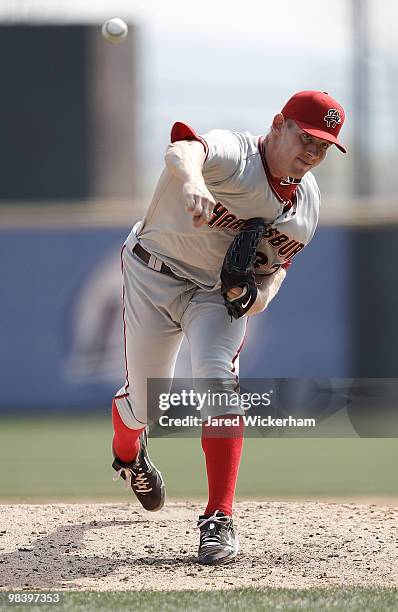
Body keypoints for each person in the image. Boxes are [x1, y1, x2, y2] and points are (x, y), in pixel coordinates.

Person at [111, 90, 346, 565]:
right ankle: (128, 455)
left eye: (323, 146)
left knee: (218, 383)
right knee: (144, 405)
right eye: (307, 138)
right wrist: (194, 180)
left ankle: (219, 518)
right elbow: (183, 148)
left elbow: (276, 271)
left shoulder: (306, 207)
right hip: (152, 274)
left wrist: (257, 296)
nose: (312, 153)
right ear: (278, 124)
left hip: (212, 295)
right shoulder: (237, 155)